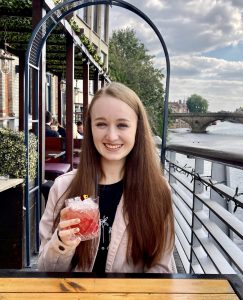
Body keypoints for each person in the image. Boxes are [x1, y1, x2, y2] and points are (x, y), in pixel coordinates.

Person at [38, 82, 175, 273]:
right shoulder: (63, 188)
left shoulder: (158, 191)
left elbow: (161, 269)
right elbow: (45, 270)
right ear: (89, 128)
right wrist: (61, 243)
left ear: (138, 129)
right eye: (101, 124)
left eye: (122, 125)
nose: (111, 136)